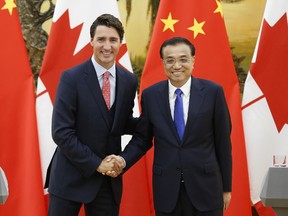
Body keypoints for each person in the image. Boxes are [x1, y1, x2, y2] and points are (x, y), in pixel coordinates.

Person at [46, 13, 146, 216]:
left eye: (113, 40)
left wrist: (154, 119)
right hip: (69, 178)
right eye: (101, 39)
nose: (107, 46)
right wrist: (97, 164)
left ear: (120, 43)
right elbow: (61, 132)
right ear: (91, 41)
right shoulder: (71, 78)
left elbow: (120, 123)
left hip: (107, 182)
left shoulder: (129, 81)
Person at [126, 37, 232, 216]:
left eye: (183, 59)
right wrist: (123, 160)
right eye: (170, 60)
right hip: (167, 190)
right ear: (163, 63)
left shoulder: (213, 92)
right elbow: (142, 139)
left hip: (206, 188)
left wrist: (226, 188)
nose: (177, 66)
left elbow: (223, 142)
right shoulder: (151, 96)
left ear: (193, 61)